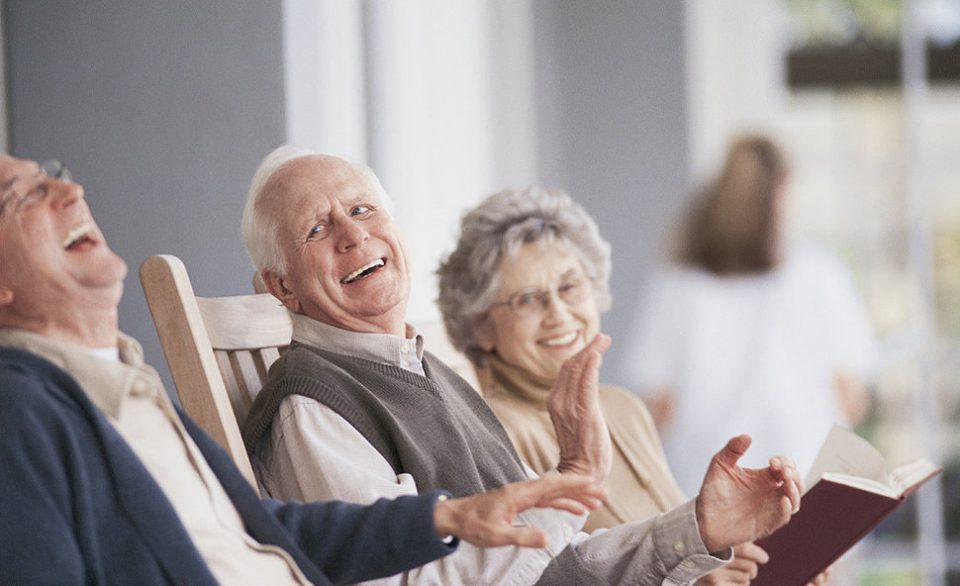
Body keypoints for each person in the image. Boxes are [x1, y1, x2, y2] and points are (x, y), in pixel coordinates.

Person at [0, 153, 612, 584]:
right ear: (281, 288)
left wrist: (438, 516)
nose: (72, 192)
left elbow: (261, 528)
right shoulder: (19, 410)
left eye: (53, 176)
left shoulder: (125, 385)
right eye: (23, 195)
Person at [240, 145, 803, 585]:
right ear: (281, 285)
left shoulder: (428, 373)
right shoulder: (311, 405)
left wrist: (699, 530)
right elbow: (410, 580)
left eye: (362, 210)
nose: (354, 234)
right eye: (318, 228)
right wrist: (570, 483)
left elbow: (556, 565)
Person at [436, 186, 785, 584]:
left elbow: (686, 537)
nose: (559, 314)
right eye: (529, 299)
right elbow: (548, 579)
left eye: (569, 288)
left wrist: (739, 556)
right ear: (481, 325)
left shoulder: (623, 407)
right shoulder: (492, 431)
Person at [624, 134, 877, 496]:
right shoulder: (821, 274)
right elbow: (851, 398)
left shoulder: (678, 283)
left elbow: (658, 410)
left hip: (706, 495)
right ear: (782, 189)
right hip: (807, 485)